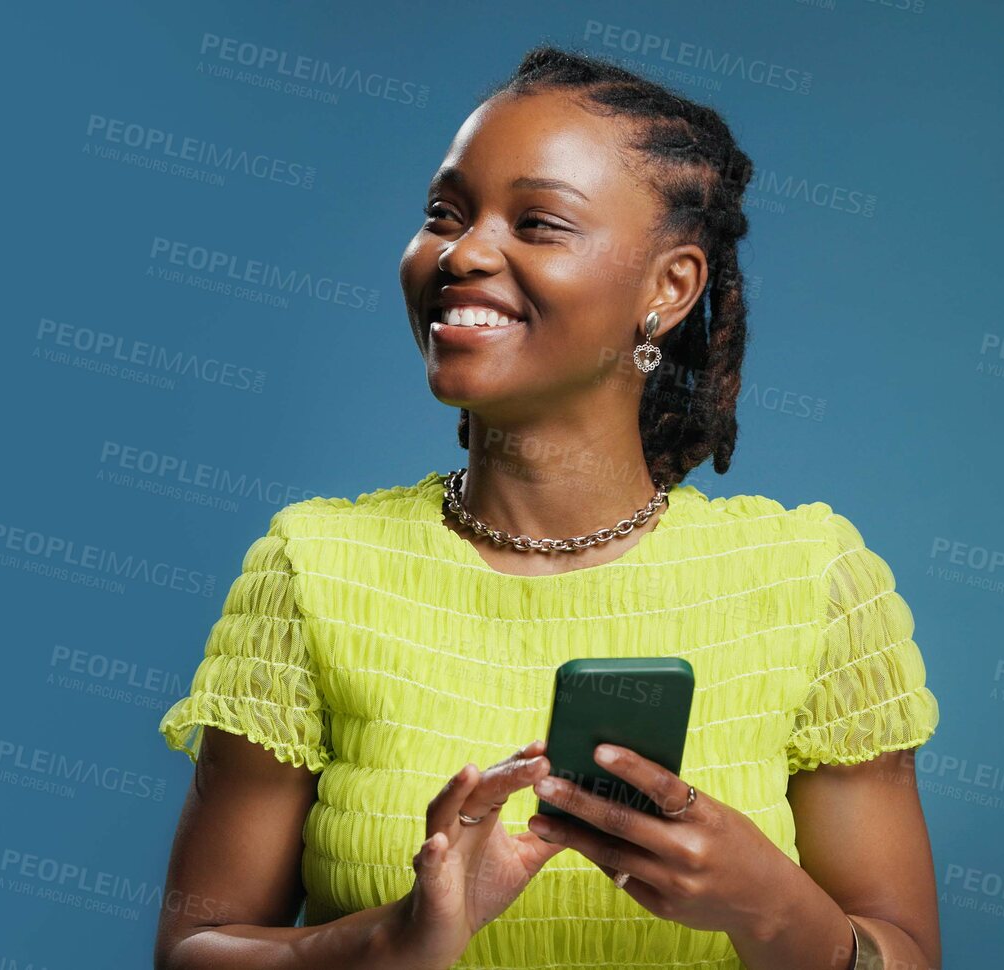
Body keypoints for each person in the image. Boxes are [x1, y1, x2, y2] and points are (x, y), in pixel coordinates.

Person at [152, 45, 939, 970]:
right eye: (444, 212)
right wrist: (397, 939)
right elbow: (193, 950)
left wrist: (772, 911)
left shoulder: (811, 577)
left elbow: (904, 955)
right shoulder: (314, 567)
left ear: (668, 288)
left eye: (538, 222)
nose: (464, 251)